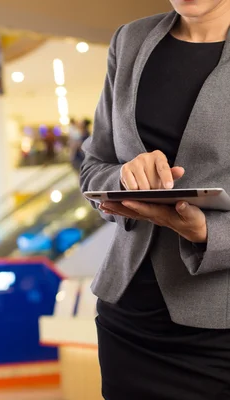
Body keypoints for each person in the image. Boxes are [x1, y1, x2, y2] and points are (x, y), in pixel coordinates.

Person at [80, 1, 230, 399]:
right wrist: (123, 178)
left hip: (220, 327)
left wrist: (210, 233)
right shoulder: (130, 40)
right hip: (129, 319)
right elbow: (94, 163)